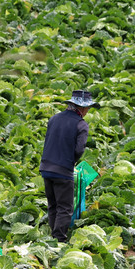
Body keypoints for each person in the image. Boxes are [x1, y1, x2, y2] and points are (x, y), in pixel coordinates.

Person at [39, 90, 100, 242]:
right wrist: (70, 162)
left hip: (46, 167)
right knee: (65, 208)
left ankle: (52, 239)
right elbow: (79, 150)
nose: (87, 111)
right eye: (88, 108)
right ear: (82, 108)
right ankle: (59, 239)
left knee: (53, 205)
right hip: (63, 171)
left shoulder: (54, 118)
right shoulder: (81, 124)